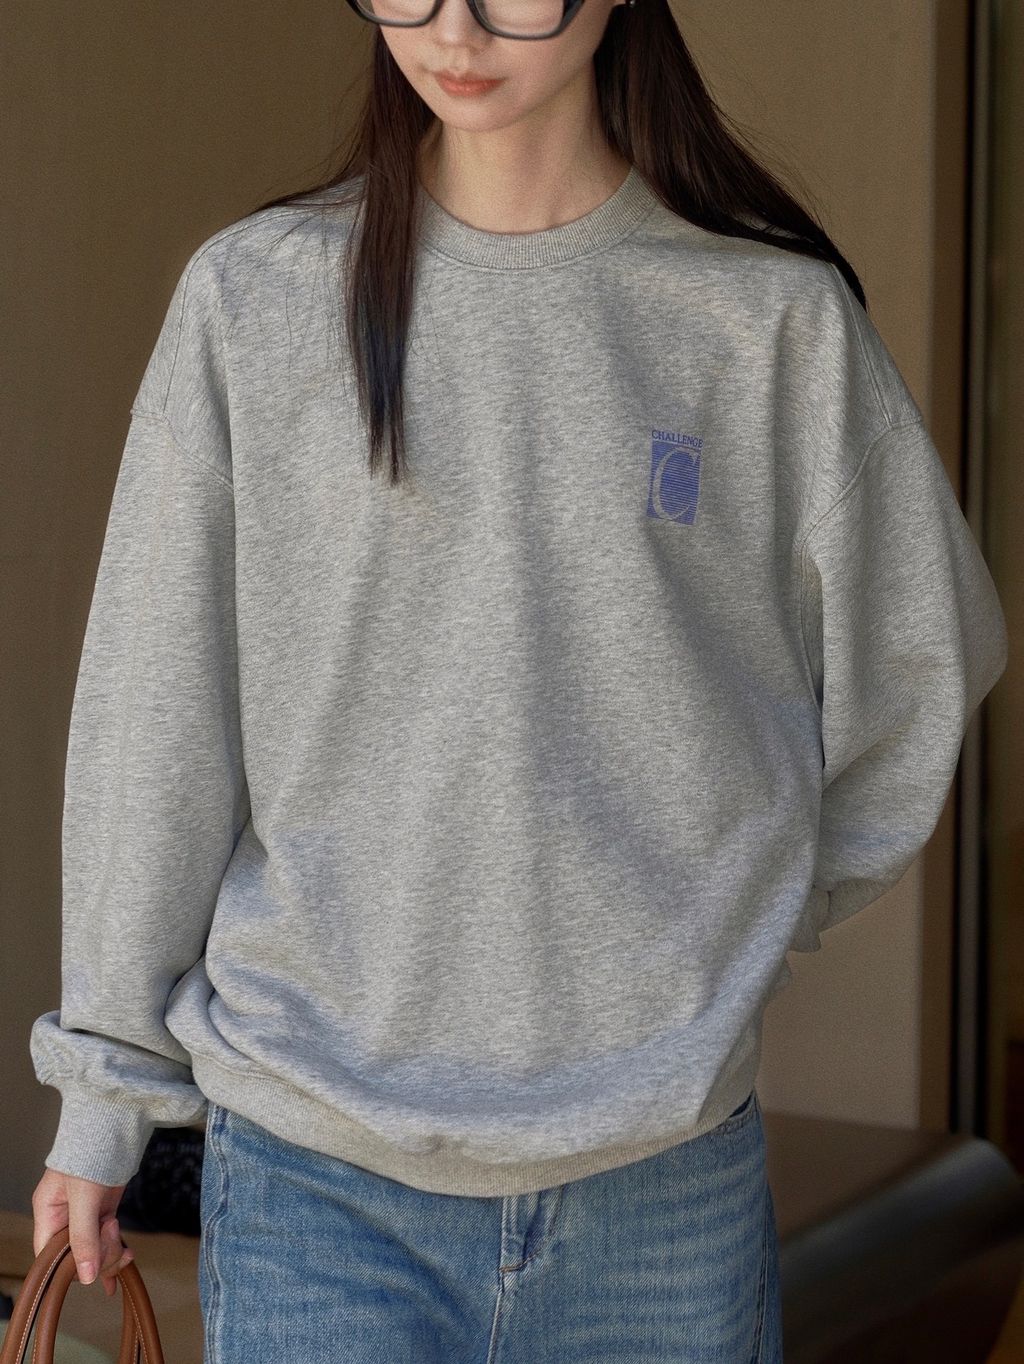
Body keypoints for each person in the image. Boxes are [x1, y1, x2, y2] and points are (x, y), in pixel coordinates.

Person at [29, 0, 1008, 1356]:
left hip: (664, 1190)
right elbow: (158, 721)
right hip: (319, 1183)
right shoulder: (253, 300)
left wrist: (745, 910)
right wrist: (104, 1091)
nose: (456, 27)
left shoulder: (767, 318)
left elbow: (920, 663)